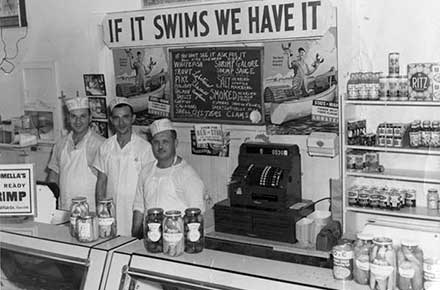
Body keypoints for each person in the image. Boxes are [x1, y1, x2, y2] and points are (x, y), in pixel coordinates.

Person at [132, 118, 205, 238]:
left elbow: (197, 216)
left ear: (175, 143)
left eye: (165, 141)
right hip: (151, 239)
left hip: (177, 239)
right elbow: (139, 206)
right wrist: (134, 237)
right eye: (156, 142)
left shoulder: (187, 175)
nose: (160, 146)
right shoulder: (146, 171)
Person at [94, 97, 154, 236]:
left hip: (135, 211)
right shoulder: (105, 147)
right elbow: (101, 182)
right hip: (111, 210)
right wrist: (100, 210)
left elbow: (150, 185)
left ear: (133, 118)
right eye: (116, 118)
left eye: (126, 117)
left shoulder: (145, 148)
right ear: (111, 120)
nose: (121, 123)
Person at [47, 96, 105, 210]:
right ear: (68, 119)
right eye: (73, 116)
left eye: (82, 116)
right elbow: (53, 177)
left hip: (90, 211)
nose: (78, 121)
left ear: (90, 118)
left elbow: (105, 183)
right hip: (64, 209)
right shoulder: (60, 144)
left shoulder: (101, 144)